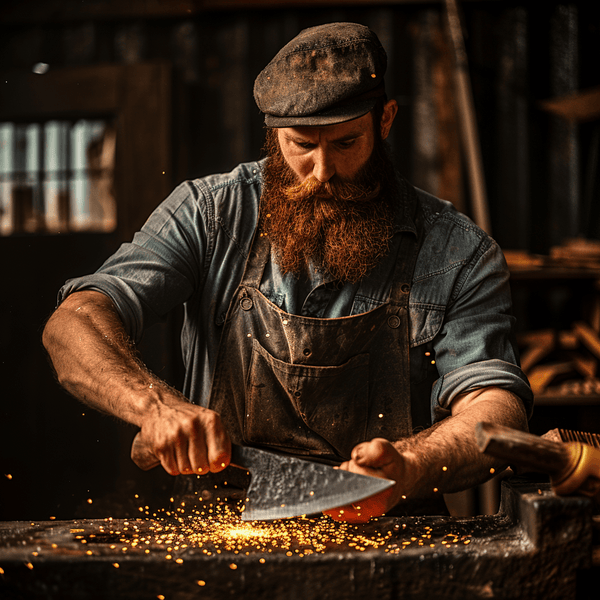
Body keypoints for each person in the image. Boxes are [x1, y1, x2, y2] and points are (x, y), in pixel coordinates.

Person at [43, 22, 532, 522]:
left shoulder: (459, 252)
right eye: (302, 145)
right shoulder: (209, 214)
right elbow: (73, 322)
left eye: (345, 144)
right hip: (223, 525)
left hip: (390, 521)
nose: (322, 172)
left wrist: (408, 465)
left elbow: (496, 408)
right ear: (274, 135)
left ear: (384, 120)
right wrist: (156, 408)